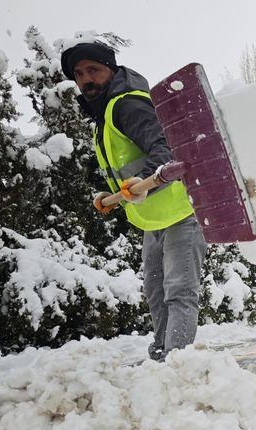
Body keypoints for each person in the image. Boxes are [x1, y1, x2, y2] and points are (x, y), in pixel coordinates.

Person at [62, 42, 207, 362]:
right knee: (157, 296)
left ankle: (178, 367)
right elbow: (125, 168)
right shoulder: (105, 116)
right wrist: (110, 195)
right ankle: (161, 360)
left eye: (94, 70)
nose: (86, 79)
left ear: (111, 70)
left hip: (180, 211)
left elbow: (164, 150)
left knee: (180, 293)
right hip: (150, 218)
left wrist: (143, 184)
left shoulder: (127, 104)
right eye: (79, 74)